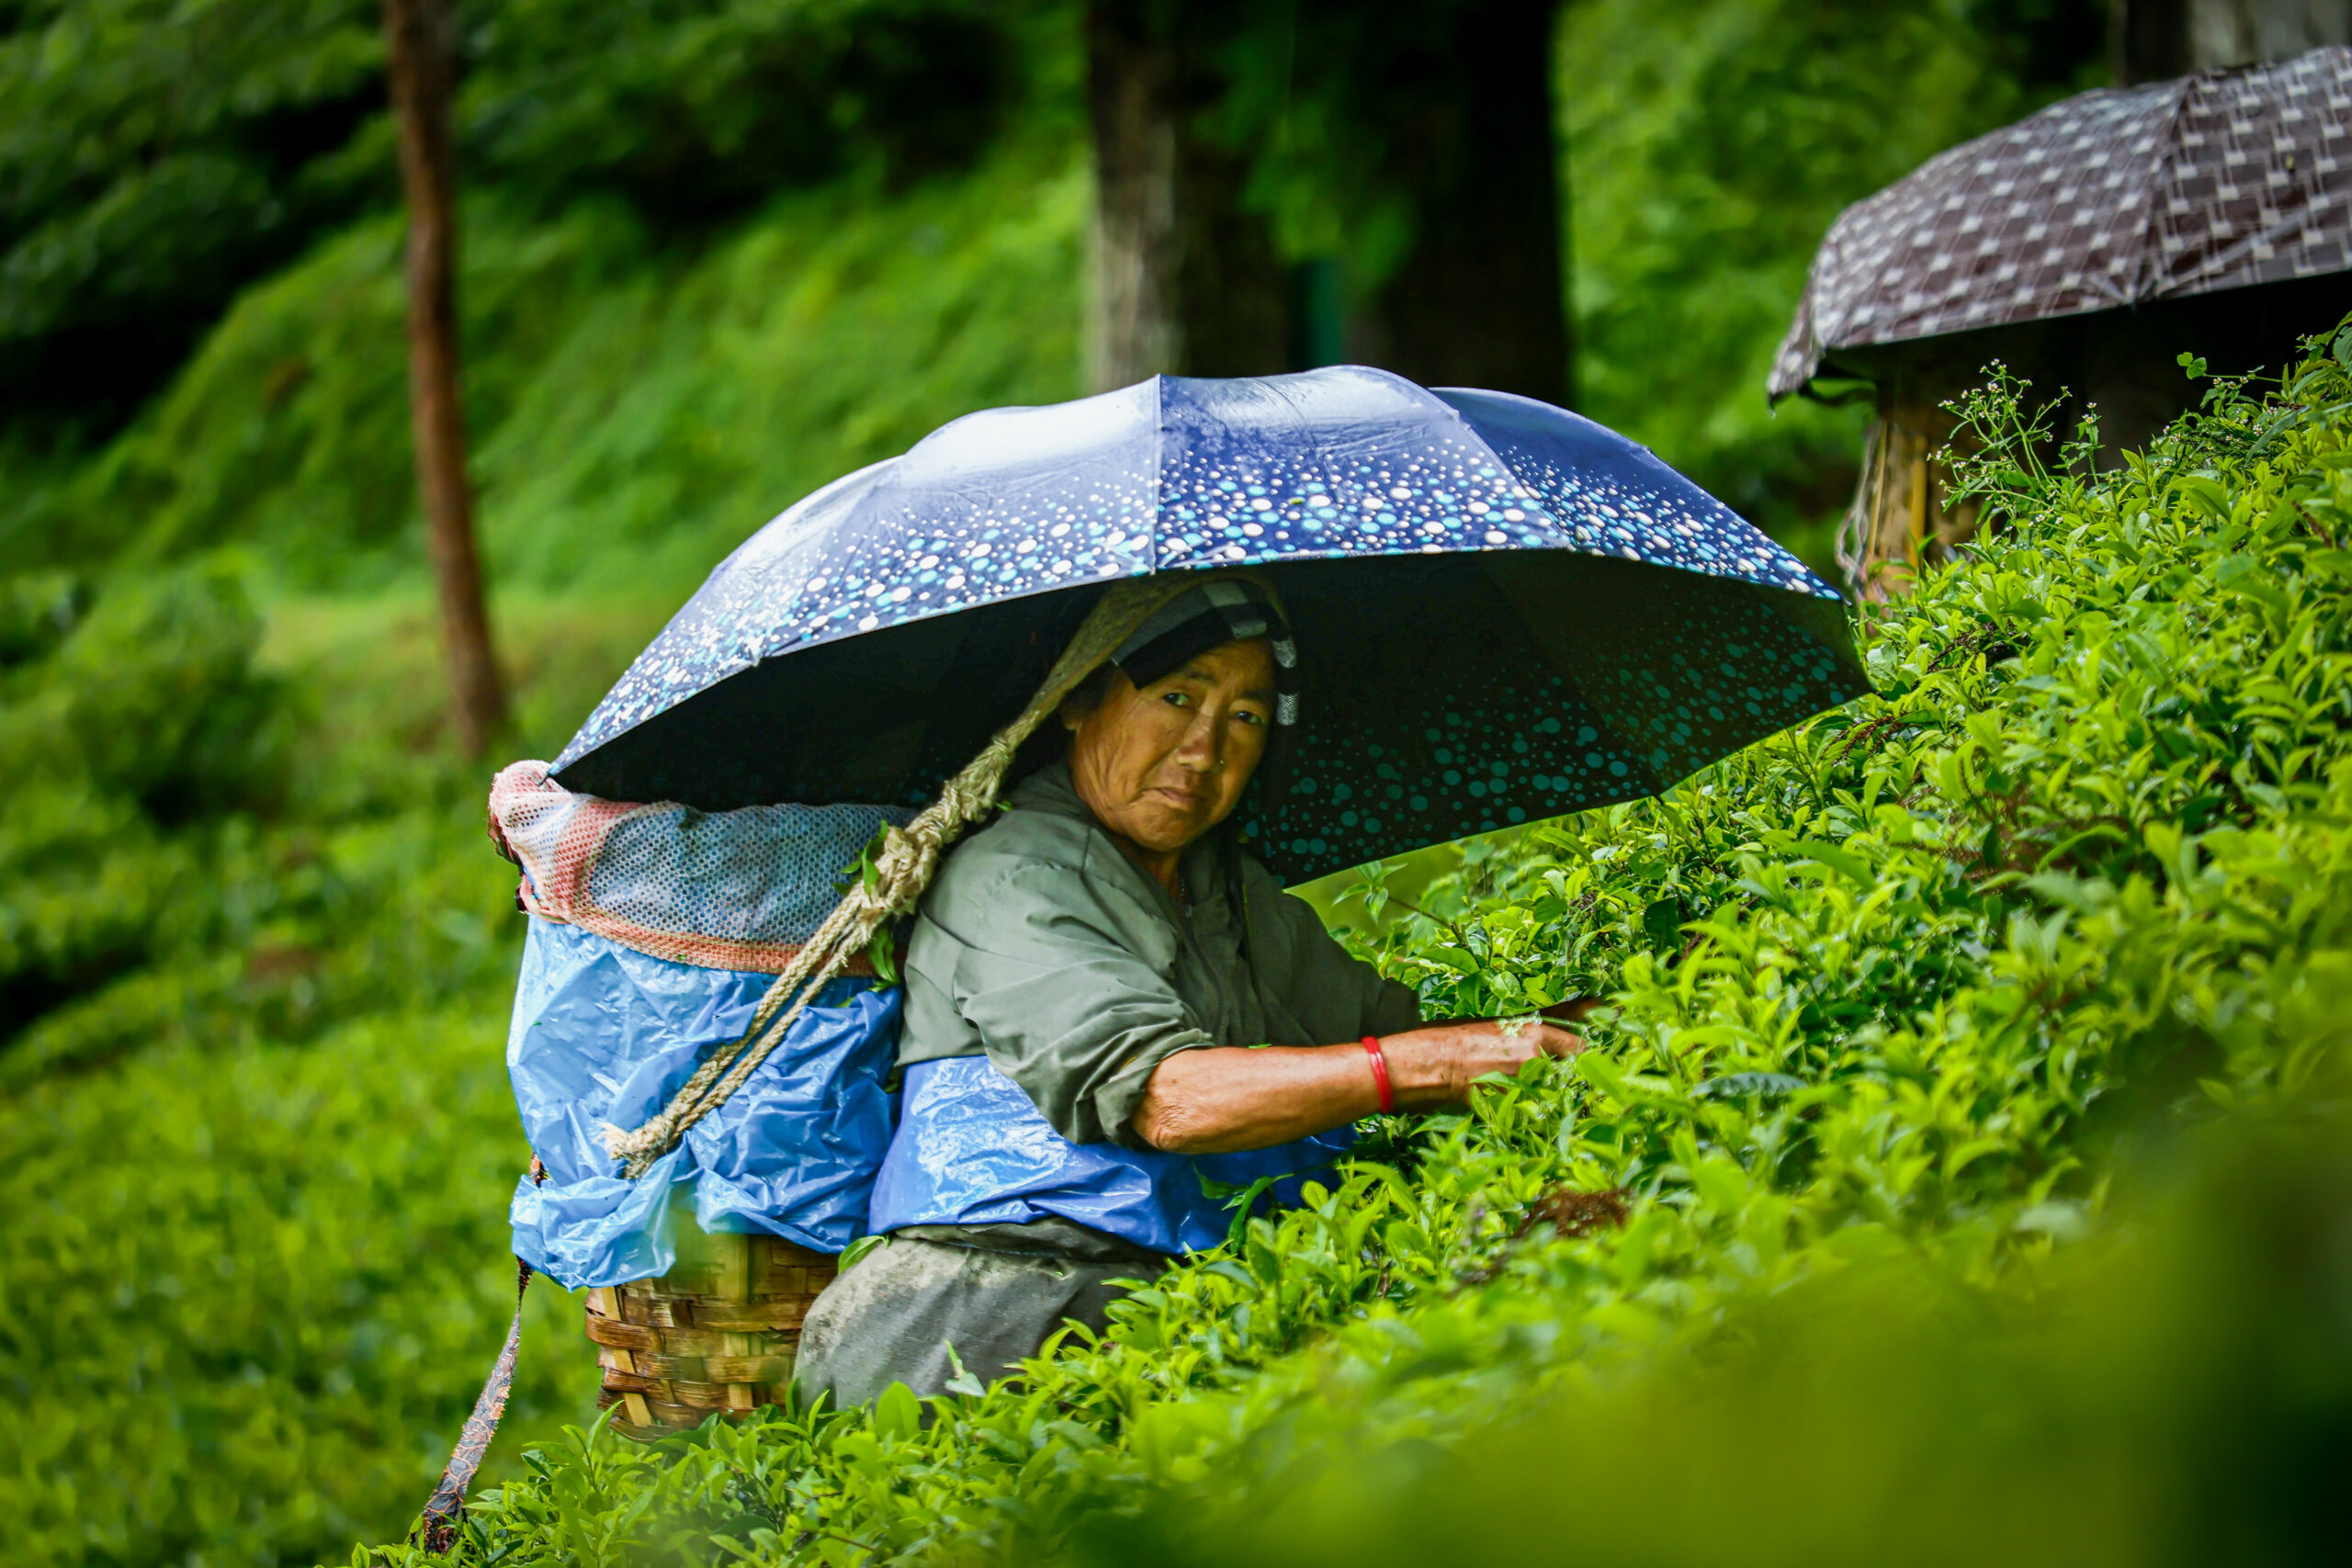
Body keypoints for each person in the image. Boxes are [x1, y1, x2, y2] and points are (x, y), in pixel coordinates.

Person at [791, 576, 1584, 1405]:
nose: (1205, 749)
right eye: (1177, 696)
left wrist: (1586, 1029)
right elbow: (1168, 1099)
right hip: (981, 1314)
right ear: (1078, 700)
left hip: (1163, 1296)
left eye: (1245, 716)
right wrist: (1428, 1066)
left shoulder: (1228, 892)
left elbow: (1400, 1032)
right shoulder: (1015, 872)